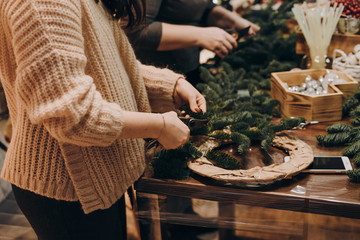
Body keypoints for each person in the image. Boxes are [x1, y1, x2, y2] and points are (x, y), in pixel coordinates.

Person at [0, 0, 206, 239]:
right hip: (70, 185)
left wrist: (170, 85)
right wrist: (158, 126)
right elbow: (72, 114)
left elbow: (103, 63)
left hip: (96, 170)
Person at [127, 0, 260, 85]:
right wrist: (200, 35)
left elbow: (191, 8)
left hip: (189, 70)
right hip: (156, 81)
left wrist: (229, 20)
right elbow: (137, 30)